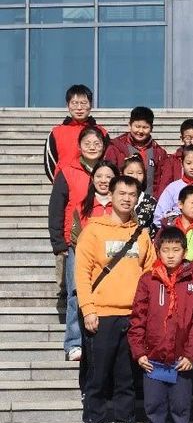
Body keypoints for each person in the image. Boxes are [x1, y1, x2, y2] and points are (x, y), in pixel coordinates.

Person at [75, 175, 156, 423]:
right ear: (110, 195)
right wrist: (88, 309)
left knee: (126, 376)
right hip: (101, 313)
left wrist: (145, 314)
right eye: (121, 193)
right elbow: (82, 273)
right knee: (97, 374)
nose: (126, 199)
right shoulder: (93, 231)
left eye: (132, 194)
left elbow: (150, 274)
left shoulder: (141, 234)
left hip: (132, 315)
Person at [128, 226, 193, 423]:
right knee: (154, 409)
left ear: (185, 251)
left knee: (180, 410)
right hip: (153, 361)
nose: (171, 255)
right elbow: (138, 318)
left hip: (180, 361)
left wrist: (191, 355)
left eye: (176, 250)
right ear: (158, 251)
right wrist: (139, 352)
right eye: (166, 250)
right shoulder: (148, 280)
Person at [48, 126, 107, 361]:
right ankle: (74, 342)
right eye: (87, 143)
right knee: (75, 292)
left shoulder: (109, 171)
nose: (92, 147)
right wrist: (58, 242)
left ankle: (99, 340)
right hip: (77, 242)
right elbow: (56, 207)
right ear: (79, 146)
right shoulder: (67, 171)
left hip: (105, 241)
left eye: (97, 143)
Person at [44, 84, 106, 182]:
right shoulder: (56, 132)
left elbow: (106, 160)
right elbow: (50, 164)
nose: (79, 108)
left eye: (83, 103)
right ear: (67, 105)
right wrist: (59, 183)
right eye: (74, 103)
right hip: (64, 184)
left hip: (93, 185)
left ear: (91, 105)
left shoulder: (102, 132)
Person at [105, 106, 168, 196]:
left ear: (151, 128)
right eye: (137, 126)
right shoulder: (115, 147)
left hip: (149, 200)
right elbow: (109, 175)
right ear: (129, 125)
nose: (140, 131)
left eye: (145, 127)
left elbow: (161, 182)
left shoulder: (159, 153)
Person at [155, 185, 193, 277]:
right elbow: (156, 248)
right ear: (180, 204)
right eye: (192, 202)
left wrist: (186, 270)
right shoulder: (168, 225)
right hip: (167, 272)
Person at [70, 161, 118, 246]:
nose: (103, 180)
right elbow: (75, 237)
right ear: (92, 178)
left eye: (108, 177)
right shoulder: (81, 207)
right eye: (99, 176)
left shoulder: (123, 206)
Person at [156, 118, 193, 196]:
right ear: (181, 138)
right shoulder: (172, 160)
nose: (192, 141)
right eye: (188, 138)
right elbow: (164, 186)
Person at [121, 154, 158, 238]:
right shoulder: (116, 198)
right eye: (130, 173)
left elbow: (156, 226)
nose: (135, 177)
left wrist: (148, 230)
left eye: (139, 173)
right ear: (122, 174)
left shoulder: (150, 201)